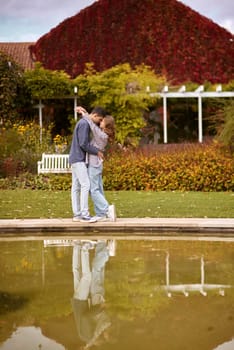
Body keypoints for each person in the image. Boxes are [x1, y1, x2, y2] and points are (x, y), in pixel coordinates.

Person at [77, 106, 116, 222]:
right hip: (97, 164)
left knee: (93, 189)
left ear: (106, 125)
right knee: (98, 188)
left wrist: (85, 113)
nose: (100, 121)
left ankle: (106, 209)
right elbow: (92, 121)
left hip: (94, 164)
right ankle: (101, 214)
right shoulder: (103, 134)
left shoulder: (102, 135)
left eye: (102, 121)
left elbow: (92, 124)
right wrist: (86, 113)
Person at [71, 240, 113, 349]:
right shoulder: (85, 337)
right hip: (77, 302)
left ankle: (85, 248)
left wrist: (100, 308)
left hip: (81, 301)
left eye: (100, 343)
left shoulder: (87, 336)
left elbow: (86, 317)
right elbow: (94, 336)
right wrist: (87, 346)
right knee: (77, 272)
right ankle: (76, 246)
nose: (101, 342)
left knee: (87, 276)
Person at [69, 107, 106, 222]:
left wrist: (84, 112)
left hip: (74, 158)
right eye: (99, 119)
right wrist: (97, 151)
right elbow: (83, 144)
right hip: (79, 158)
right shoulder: (85, 124)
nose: (99, 122)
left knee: (76, 187)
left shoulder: (84, 122)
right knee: (85, 185)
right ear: (95, 115)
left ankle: (77, 214)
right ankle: (84, 214)